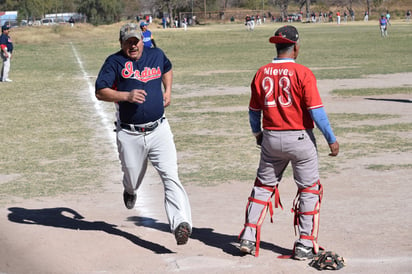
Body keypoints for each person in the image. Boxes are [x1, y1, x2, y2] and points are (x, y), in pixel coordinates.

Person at [238, 25, 339, 259]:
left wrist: (258, 134)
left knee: (263, 187)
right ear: (295, 47)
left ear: (277, 46)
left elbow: (254, 111)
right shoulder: (303, 73)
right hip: (300, 137)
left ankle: (248, 236)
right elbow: (317, 112)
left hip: (271, 137)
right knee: (309, 189)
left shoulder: (262, 72)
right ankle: (304, 243)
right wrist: (331, 139)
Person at [95, 23, 192, 245]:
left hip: (159, 130)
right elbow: (100, 91)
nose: (133, 45)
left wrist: (168, 90)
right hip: (130, 134)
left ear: (142, 40)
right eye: (128, 42)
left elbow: (167, 68)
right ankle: (129, 190)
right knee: (132, 176)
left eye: (136, 41)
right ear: (121, 43)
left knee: (170, 175)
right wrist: (126, 96)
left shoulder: (156, 55)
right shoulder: (114, 62)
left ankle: (180, 224)